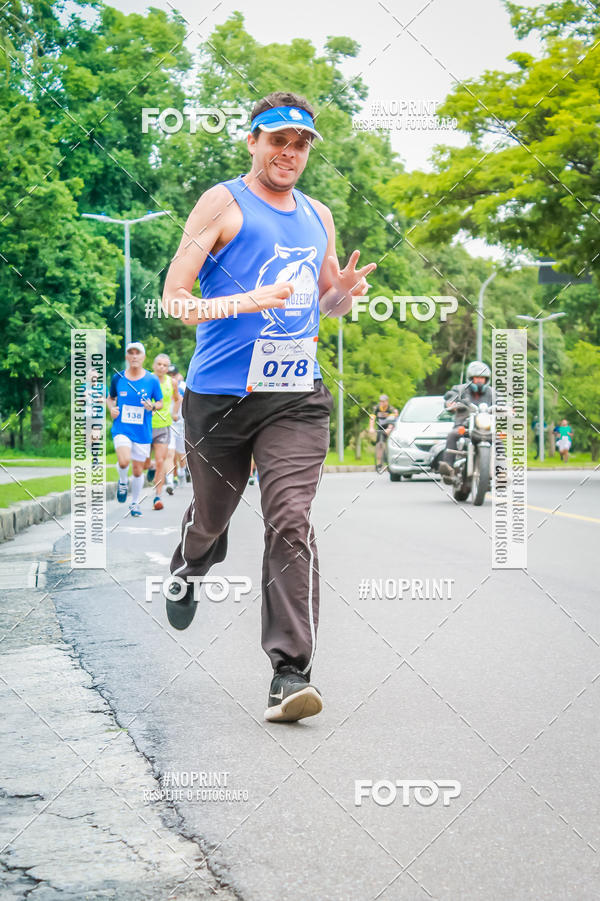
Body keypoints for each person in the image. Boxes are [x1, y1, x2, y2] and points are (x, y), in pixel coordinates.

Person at [161, 91, 376, 723]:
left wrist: (342, 295)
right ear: (252, 140)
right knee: (212, 516)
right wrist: (246, 302)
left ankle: (290, 673)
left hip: (294, 396)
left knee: (290, 519)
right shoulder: (222, 202)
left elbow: (320, 301)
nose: (289, 153)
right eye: (277, 139)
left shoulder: (319, 215)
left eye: (301, 143)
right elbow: (176, 299)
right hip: (220, 398)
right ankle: (194, 556)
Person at [107, 342, 163, 517]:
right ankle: (123, 481)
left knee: (138, 470)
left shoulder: (152, 380)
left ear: (143, 357)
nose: (134, 356)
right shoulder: (118, 378)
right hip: (121, 428)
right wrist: (111, 409)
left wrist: (151, 406)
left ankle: (135, 503)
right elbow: (110, 398)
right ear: (126, 357)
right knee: (124, 462)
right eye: (130, 353)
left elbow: (160, 403)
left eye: (137, 353)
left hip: (142, 431)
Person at [438, 360, 495, 485]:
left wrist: (509, 408)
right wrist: (451, 403)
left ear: (487, 379)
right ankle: (448, 468)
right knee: (453, 434)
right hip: (464, 424)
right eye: (477, 377)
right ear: (471, 378)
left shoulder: (492, 392)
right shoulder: (460, 389)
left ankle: (501, 470)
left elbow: (502, 402)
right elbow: (450, 396)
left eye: (483, 378)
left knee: (499, 438)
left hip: (485, 427)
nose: (480, 380)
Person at [144, 353, 178, 510]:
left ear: (167, 368)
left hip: (163, 426)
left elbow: (177, 399)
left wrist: (175, 413)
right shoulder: (146, 379)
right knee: (143, 461)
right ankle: (149, 466)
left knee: (160, 461)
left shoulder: (172, 382)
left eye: (165, 365)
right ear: (154, 365)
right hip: (145, 425)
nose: (161, 367)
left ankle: (157, 497)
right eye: (159, 364)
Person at [368, 394, 399, 473]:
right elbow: (372, 418)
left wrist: (389, 429)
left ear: (387, 402)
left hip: (389, 427)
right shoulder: (376, 408)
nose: (381, 403)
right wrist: (371, 428)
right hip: (380, 427)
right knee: (379, 444)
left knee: (389, 442)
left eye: (383, 401)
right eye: (380, 401)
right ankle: (379, 463)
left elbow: (392, 421)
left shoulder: (391, 409)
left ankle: (390, 460)